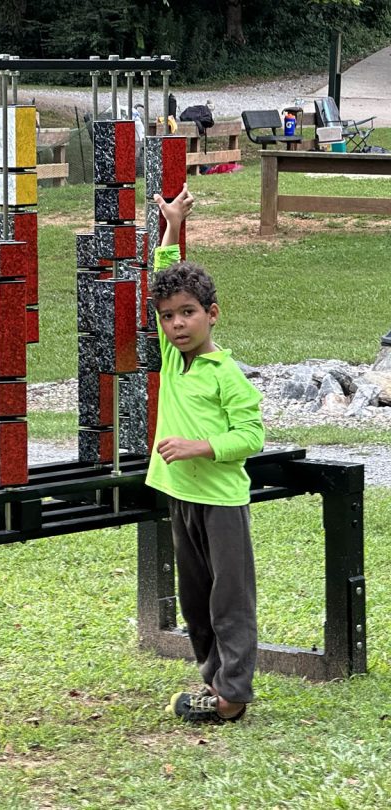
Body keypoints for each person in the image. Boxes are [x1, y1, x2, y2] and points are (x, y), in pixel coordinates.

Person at [146, 184, 265, 723]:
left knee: (229, 602)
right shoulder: (174, 360)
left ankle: (233, 696)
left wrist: (201, 446)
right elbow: (164, 268)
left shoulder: (228, 374)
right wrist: (171, 225)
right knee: (193, 602)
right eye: (168, 316)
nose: (176, 325)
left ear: (212, 314)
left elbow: (251, 438)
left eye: (188, 313)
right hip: (180, 496)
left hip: (220, 502)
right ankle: (212, 682)